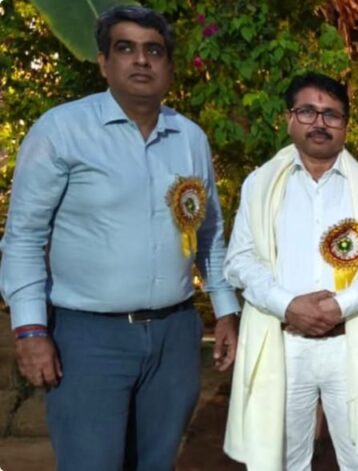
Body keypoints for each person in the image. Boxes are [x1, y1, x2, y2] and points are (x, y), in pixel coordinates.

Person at [0, 6, 240, 470]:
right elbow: (24, 237)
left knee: (156, 462)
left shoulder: (189, 137)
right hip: (88, 338)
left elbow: (208, 231)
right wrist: (30, 330)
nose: (141, 60)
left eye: (154, 50)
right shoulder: (62, 130)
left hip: (173, 336)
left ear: (169, 65)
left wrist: (225, 308)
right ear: (104, 62)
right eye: (126, 48)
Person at [222, 73, 358, 470]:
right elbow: (240, 260)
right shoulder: (260, 184)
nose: (319, 123)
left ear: (346, 125)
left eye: (331, 114)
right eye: (307, 112)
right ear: (289, 119)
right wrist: (288, 305)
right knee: (283, 460)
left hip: (350, 341)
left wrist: (341, 306)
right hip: (284, 343)